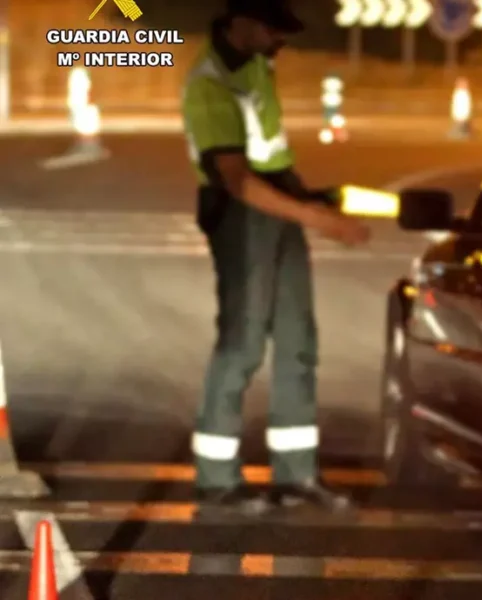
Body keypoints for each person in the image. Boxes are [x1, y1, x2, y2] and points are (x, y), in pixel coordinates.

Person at [182, 0, 370, 516]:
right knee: (242, 341)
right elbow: (239, 181)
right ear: (239, 22)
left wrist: (309, 199)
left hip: (279, 202)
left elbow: (270, 153)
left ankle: (296, 475)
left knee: (297, 342)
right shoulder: (210, 86)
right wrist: (319, 219)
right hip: (243, 215)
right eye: (273, 31)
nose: (281, 43)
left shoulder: (256, 65)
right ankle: (216, 478)